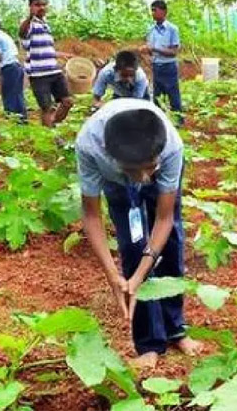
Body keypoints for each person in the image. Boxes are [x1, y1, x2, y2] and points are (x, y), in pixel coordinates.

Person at [77, 98, 201, 370]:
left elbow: (164, 217)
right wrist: (113, 274)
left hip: (160, 172)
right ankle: (148, 343)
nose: (145, 178)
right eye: (137, 170)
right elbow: (91, 215)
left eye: (150, 167)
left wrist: (144, 271)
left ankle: (175, 329)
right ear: (112, 158)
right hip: (117, 184)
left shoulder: (169, 147)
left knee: (170, 245)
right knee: (132, 247)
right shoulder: (89, 146)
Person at [19, 0, 74, 127]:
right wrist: (30, 17)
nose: (42, 7)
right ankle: (50, 135)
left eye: (44, 4)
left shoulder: (45, 24)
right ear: (30, 6)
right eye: (37, 5)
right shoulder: (28, 24)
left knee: (68, 102)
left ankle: (52, 124)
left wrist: (60, 54)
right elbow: (23, 36)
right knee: (47, 108)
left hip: (54, 71)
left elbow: (45, 48)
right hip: (39, 75)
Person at [140, 0, 182, 125]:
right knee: (157, 96)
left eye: (155, 10)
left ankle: (178, 120)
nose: (152, 13)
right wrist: (146, 50)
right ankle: (158, 121)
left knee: (173, 95)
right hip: (156, 67)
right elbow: (150, 50)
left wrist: (154, 49)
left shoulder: (172, 29)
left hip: (169, 67)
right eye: (151, 10)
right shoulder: (150, 30)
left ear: (164, 12)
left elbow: (174, 52)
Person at [0, 16, 27, 123]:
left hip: (9, 68)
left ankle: (11, 119)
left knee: (8, 94)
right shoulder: (4, 35)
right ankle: (22, 118)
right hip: (17, 66)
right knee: (17, 93)